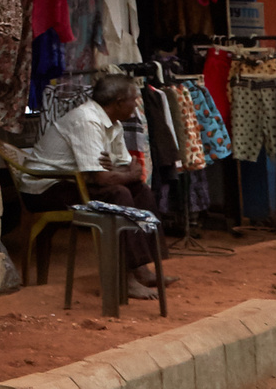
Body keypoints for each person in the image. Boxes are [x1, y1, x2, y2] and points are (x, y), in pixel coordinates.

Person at [19, 74, 169, 300]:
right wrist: (124, 173)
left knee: (141, 191)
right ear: (119, 102)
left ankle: (142, 268)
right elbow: (103, 178)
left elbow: (125, 166)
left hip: (76, 181)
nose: (137, 103)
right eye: (134, 99)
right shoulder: (87, 120)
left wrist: (122, 172)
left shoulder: (113, 123)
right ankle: (125, 278)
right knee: (118, 194)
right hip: (44, 188)